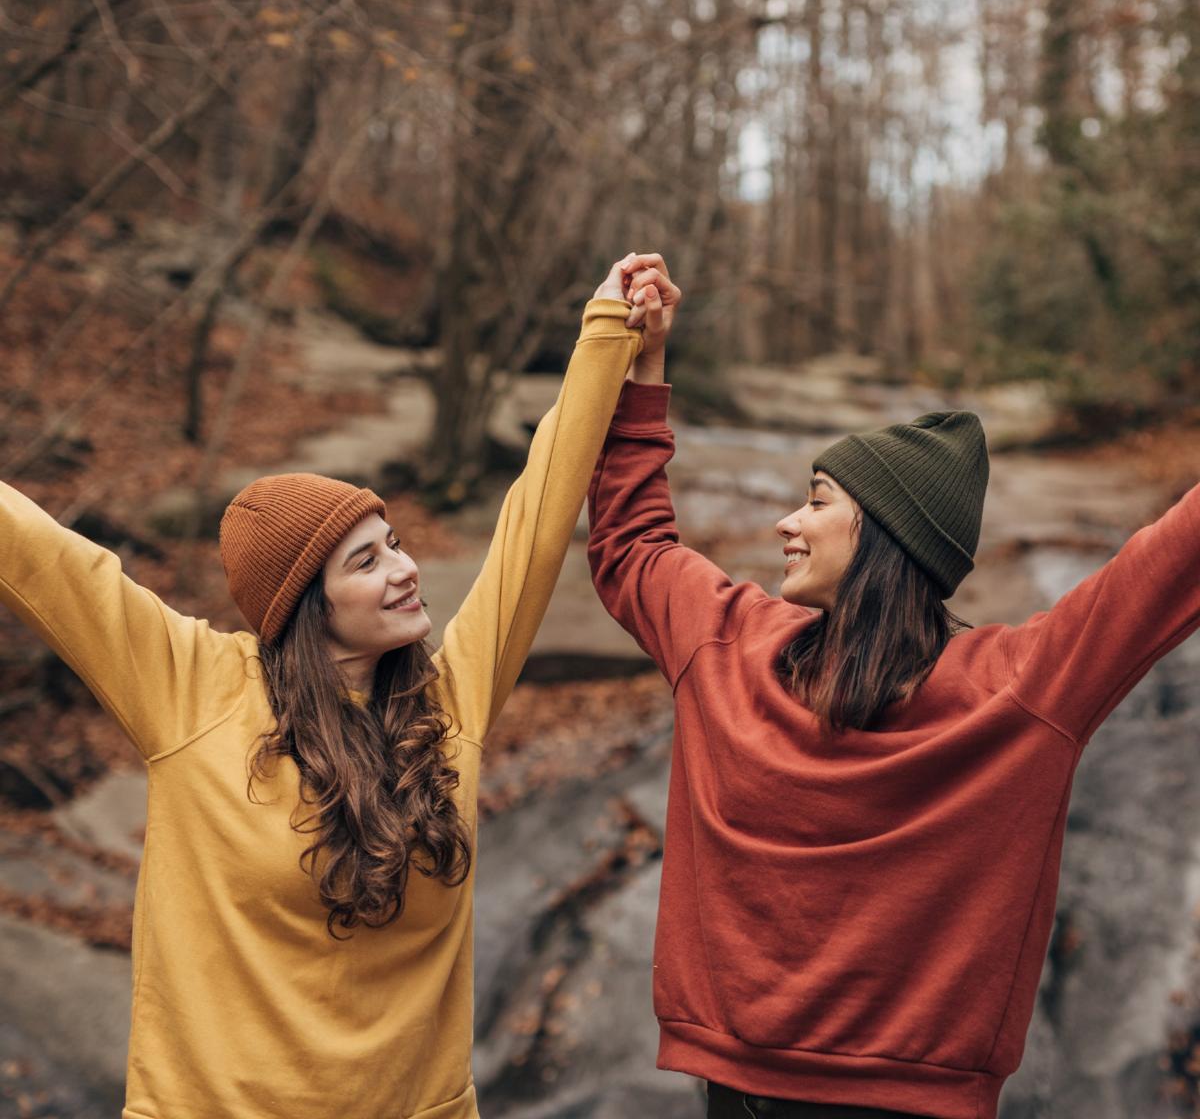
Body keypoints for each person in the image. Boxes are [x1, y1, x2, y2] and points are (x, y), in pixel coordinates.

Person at [0, 253, 671, 1119]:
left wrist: (607, 333)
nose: (405, 569)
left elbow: (536, 523)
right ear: (305, 607)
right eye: (366, 561)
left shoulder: (447, 702)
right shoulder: (192, 690)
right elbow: (47, 561)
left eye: (395, 543)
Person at [587, 257, 1200, 1119]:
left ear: (882, 533)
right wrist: (641, 366)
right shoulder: (1004, 684)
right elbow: (631, 545)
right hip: (759, 1095)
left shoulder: (738, 643)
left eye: (817, 500)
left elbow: (1166, 563)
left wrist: (645, 381)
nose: (787, 521)